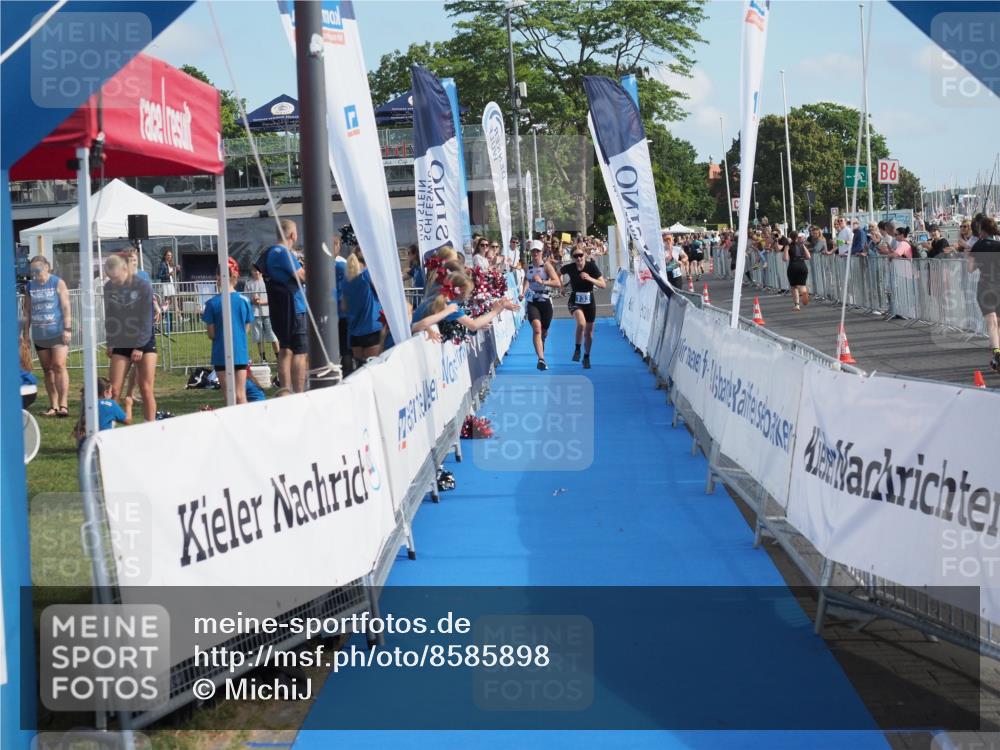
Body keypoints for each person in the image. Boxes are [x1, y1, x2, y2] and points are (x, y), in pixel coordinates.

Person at [103, 254, 157, 422]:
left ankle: (150, 426)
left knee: (146, 388)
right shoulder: (108, 287)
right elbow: (110, 316)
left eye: (116, 277)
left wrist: (140, 346)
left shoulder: (143, 286)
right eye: (110, 278)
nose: (114, 281)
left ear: (125, 269)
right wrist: (111, 341)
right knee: (114, 389)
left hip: (144, 339)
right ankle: (109, 427)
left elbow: (147, 318)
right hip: (121, 340)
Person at [258, 219, 308, 393]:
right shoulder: (284, 253)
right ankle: (298, 392)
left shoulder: (269, 253)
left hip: (279, 309)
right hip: (294, 308)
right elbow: (302, 276)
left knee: (285, 349)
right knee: (300, 351)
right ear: (293, 235)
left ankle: (285, 391)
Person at [24, 255, 71, 417]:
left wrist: (67, 328)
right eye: (32, 270)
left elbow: (66, 307)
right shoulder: (30, 286)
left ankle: (63, 405)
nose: (35, 273)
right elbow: (27, 311)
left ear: (46, 267)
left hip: (57, 332)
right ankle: (53, 406)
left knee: (58, 365)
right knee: (47, 370)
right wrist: (26, 334)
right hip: (39, 334)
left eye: (37, 269)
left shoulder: (57, 282)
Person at [203, 257, 254, 404]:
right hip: (240, 352)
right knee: (241, 394)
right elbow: (246, 328)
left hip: (221, 353)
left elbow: (211, 334)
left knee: (228, 396)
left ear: (219, 277)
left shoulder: (211, 303)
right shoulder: (245, 301)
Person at [561, 246, 606, 369]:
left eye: (580, 255)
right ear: (572, 257)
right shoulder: (570, 267)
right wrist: (561, 286)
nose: (578, 258)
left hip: (589, 300)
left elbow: (603, 285)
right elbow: (557, 273)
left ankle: (586, 356)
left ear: (584, 255)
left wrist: (589, 278)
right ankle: (577, 349)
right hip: (575, 300)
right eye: (575, 256)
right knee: (581, 323)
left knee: (589, 333)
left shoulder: (591, 267)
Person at [520, 240, 562, 370]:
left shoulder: (547, 266)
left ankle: (542, 341)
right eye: (533, 251)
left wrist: (543, 282)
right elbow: (527, 280)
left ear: (541, 252)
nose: (535, 253)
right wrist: (523, 292)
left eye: (537, 251)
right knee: (537, 329)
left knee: (544, 332)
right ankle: (541, 359)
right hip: (532, 301)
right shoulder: (528, 267)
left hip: (546, 301)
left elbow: (557, 283)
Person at [968, 214, 1000, 373]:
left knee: (991, 322)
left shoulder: (978, 245)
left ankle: (997, 354)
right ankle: (997, 355)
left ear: (982, 231)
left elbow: (970, 269)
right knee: (998, 322)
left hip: (986, 286)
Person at [343, 248, 385, 365]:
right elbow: (382, 293)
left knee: (360, 369)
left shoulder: (346, 281)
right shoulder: (367, 274)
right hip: (372, 328)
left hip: (354, 332)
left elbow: (344, 307)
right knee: (374, 368)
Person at [72, 377, 133, 448]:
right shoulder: (111, 404)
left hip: (84, 445)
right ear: (106, 393)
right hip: (103, 444)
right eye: (111, 391)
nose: (112, 394)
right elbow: (128, 421)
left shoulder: (86, 403)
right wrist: (128, 405)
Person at [244, 266, 279, 363]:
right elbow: (246, 298)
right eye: (254, 270)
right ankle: (263, 359)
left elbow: (273, 298)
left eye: (258, 270)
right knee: (258, 337)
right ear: (251, 271)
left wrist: (261, 302)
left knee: (273, 335)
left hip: (267, 313)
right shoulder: (248, 283)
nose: (257, 273)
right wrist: (253, 300)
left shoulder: (267, 282)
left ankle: (278, 357)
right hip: (255, 314)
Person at [784, 232, 812, 311]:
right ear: (797, 237)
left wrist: (786, 249)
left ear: (790, 237)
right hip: (802, 266)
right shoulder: (802, 245)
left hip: (793, 266)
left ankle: (797, 305)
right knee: (802, 285)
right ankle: (804, 292)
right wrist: (803, 246)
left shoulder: (788, 246)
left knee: (794, 287)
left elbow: (785, 258)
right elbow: (808, 257)